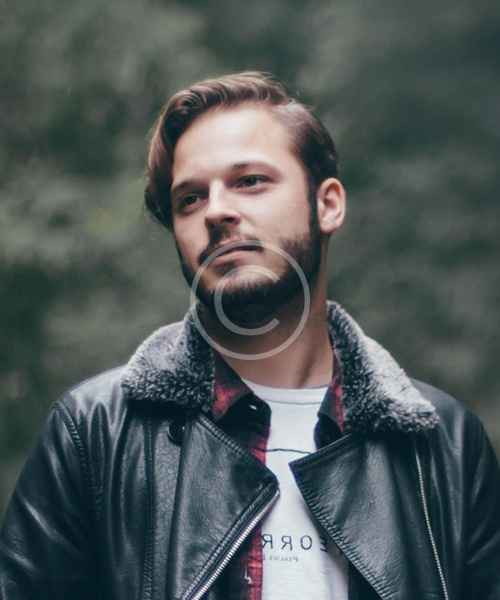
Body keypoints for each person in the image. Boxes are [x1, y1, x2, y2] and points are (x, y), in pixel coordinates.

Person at [1, 71, 499, 600]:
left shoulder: (442, 445)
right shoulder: (95, 432)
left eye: (250, 181)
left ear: (328, 204)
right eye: (190, 199)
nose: (216, 211)